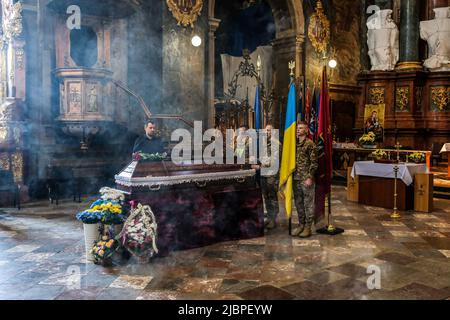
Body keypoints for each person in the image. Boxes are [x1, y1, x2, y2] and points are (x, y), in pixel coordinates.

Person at [292, 121, 318, 238]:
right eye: (297, 128)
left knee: (308, 204)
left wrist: (309, 177)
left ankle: (308, 227)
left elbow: (314, 163)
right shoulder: (294, 144)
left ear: (307, 130)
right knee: (298, 203)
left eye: (301, 128)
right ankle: (301, 224)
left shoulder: (310, 144)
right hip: (296, 178)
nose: (298, 130)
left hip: (305, 178)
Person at [259, 124, 280, 230]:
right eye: (266, 131)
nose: (267, 132)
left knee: (272, 197)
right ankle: (270, 217)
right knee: (266, 197)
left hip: (272, 174)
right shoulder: (264, 143)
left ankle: (274, 219)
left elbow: (274, 160)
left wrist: (261, 164)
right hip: (264, 174)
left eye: (269, 131)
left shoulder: (275, 143)